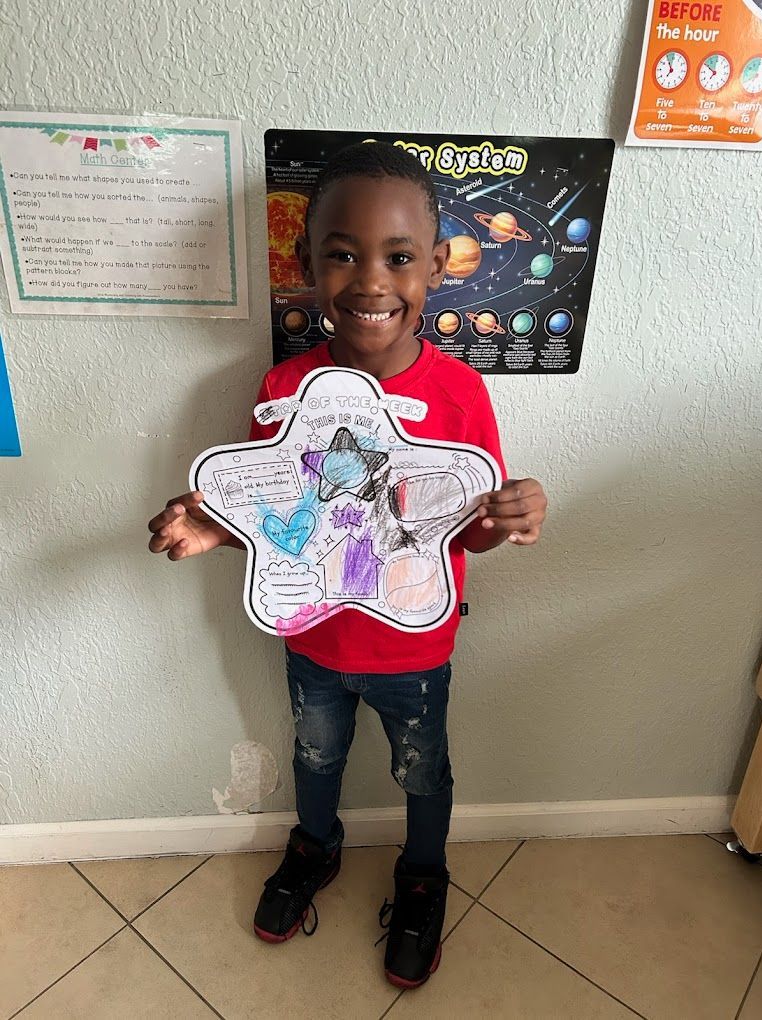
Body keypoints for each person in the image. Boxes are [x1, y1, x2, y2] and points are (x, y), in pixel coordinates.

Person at [148, 141, 547, 989]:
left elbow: (462, 533)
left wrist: (503, 518)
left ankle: (422, 873)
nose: (371, 280)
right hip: (313, 642)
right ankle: (314, 847)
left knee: (422, 767)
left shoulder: (460, 397)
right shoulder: (282, 388)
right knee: (315, 756)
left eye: (398, 257)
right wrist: (212, 531)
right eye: (342, 254)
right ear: (306, 263)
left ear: (435, 267)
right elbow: (278, 523)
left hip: (414, 648)